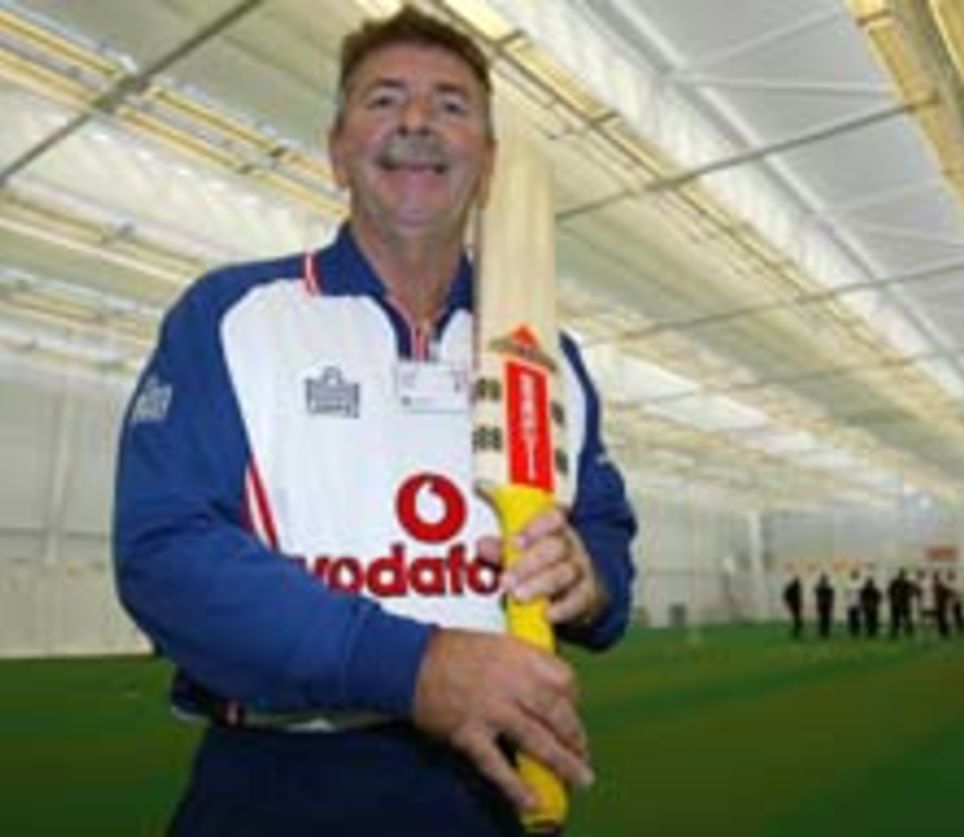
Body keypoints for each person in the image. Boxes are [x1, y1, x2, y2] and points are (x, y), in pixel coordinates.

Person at [112, 9, 636, 835]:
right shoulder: (232, 316)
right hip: (278, 785)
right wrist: (414, 666)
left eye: (452, 105)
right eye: (385, 99)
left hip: (496, 788)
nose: (418, 121)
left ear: (489, 164)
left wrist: (590, 577)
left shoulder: (548, 355)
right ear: (335, 149)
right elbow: (164, 552)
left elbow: (605, 539)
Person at [887, 569, 915, 639]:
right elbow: (889, 592)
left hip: (905, 604)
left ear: (904, 575)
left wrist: (907, 594)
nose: (902, 576)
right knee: (895, 620)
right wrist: (893, 600)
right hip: (896, 604)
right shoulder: (894, 583)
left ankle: (908, 632)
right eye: (901, 574)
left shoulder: (907, 583)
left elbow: (911, 592)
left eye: (903, 574)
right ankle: (894, 633)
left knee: (907, 619)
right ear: (899, 575)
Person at [814, 573, 835, 639]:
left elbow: (831, 598)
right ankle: (823, 632)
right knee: (822, 619)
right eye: (823, 579)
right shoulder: (819, 588)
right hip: (822, 605)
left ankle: (826, 632)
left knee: (826, 619)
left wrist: (831, 605)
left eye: (825, 579)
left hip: (826, 606)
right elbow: (817, 596)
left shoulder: (829, 588)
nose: (824, 580)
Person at [783, 574, 803, 639]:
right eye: (797, 581)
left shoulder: (797, 587)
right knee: (796, 617)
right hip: (794, 604)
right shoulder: (791, 587)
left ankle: (797, 627)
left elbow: (799, 596)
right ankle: (796, 628)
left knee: (797, 616)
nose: (798, 583)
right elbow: (786, 595)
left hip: (796, 604)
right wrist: (789, 602)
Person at [845, 570, 862, 636]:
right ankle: (851, 631)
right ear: (851, 575)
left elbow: (861, 594)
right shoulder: (848, 583)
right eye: (853, 574)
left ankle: (856, 631)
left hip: (858, 604)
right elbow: (846, 594)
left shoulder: (860, 583)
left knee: (857, 618)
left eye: (855, 574)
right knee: (851, 618)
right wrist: (847, 603)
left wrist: (860, 603)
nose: (854, 575)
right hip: (850, 604)